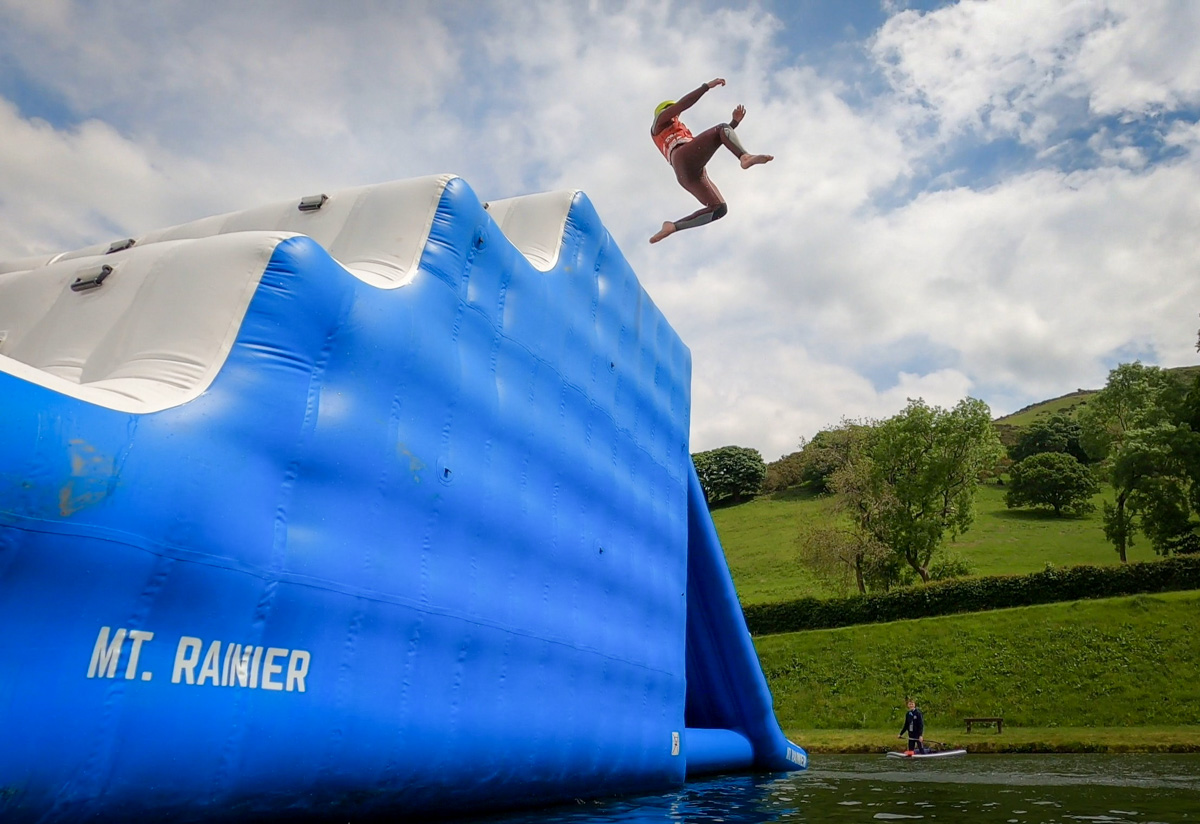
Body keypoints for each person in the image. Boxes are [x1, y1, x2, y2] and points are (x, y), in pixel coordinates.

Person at [648, 77, 774, 243]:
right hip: (682, 157)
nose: (677, 117)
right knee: (721, 128)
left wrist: (733, 123)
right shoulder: (659, 123)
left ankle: (673, 226)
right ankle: (744, 157)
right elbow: (683, 104)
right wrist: (706, 87)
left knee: (719, 208)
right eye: (674, 114)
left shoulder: (682, 132)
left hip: (689, 174)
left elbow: (718, 139)